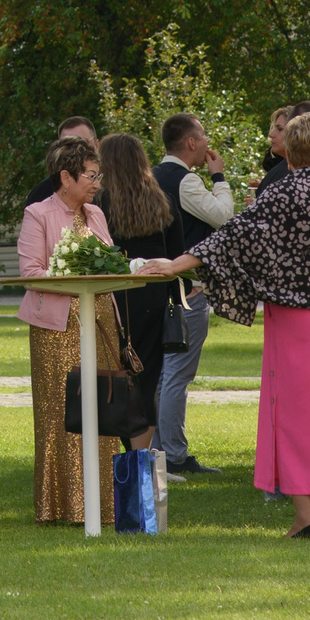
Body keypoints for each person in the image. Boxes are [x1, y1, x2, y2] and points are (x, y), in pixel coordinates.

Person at [139, 112, 310, 538]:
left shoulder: (283, 191)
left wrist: (178, 263)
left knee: (294, 415)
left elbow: (235, 236)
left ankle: (306, 515)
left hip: (298, 321)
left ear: (290, 148)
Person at [17, 133, 120, 521]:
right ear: (66, 177)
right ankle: (62, 506)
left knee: (103, 409)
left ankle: (104, 504)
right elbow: (30, 274)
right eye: (91, 176)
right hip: (56, 328)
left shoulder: (96, 215)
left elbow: (110, 263)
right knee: (60, 413)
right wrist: (74, 276)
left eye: (98, 176)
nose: (97, 184)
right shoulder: (38, 214)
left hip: (99, 322)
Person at [154, 113, 233, 476]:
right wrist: (218, 177)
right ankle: (172, 453)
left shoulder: (150, 176)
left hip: (152, 289)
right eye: (202, 136)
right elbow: (223, 216)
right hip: (185, 292)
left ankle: (157, 449)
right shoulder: (185, 181)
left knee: (158, 374)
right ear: (190, 142)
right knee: (177, 375)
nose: (206, 143)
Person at [96, 133, 176, 449]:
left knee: (116, 374)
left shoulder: (99, 203)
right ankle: (142, 455)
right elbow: (177, 252)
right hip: (154, 295)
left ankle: (122, 452)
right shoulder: (162, 199)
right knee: (148, 377)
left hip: (114, 296)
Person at [25, 115, 98, 205]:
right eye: (69, 146)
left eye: (83, 143)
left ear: (97, 145)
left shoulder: (114, 186)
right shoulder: (42, 193)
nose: (77, 151)